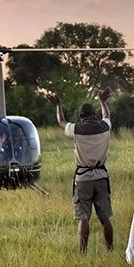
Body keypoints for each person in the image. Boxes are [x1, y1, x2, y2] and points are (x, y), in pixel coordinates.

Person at [47, 88, 113, 253]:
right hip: (101, 175)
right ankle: (110, 251)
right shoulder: (104, 127)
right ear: (94, 115)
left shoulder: (77, 129)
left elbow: (61, 122)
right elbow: (107, 116)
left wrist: (58, 104)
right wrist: (102, 101)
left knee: (83, 217)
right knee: (105, 218)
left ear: (81, 117)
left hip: (83, 178)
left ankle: (82, 253)